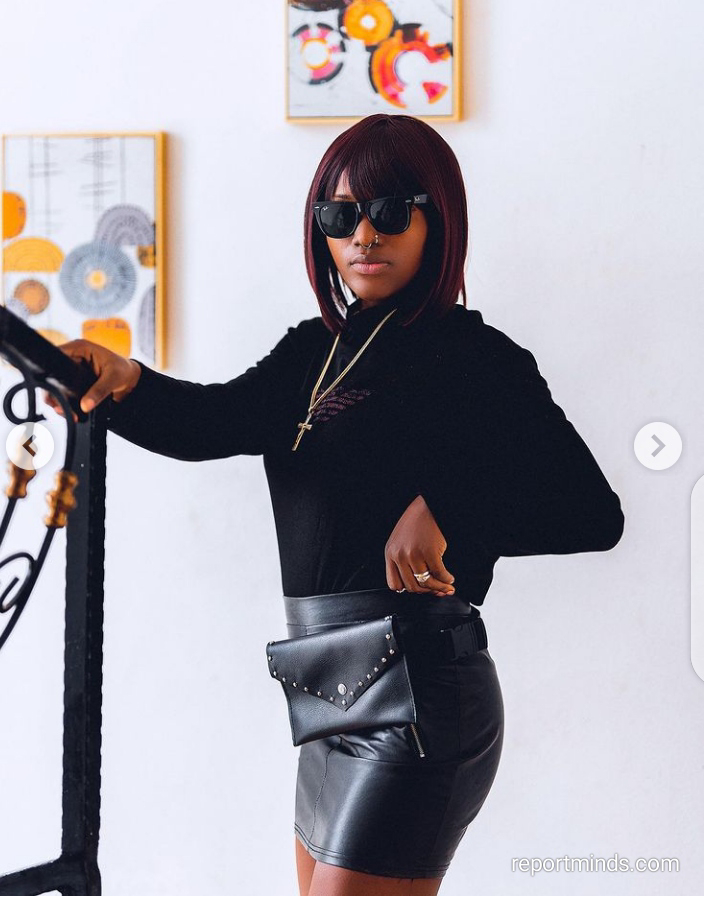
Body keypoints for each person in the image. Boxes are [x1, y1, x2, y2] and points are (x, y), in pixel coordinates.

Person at [46, 114, 625, 896]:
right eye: (339, 214)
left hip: (422, 695)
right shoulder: (309, 351)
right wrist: (128, 383)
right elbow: (211, 422)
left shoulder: (478, 358)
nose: (363, 235)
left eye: (389, 210)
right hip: (326, 693)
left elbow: (592, 512)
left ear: (437, 219)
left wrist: (450, 510)